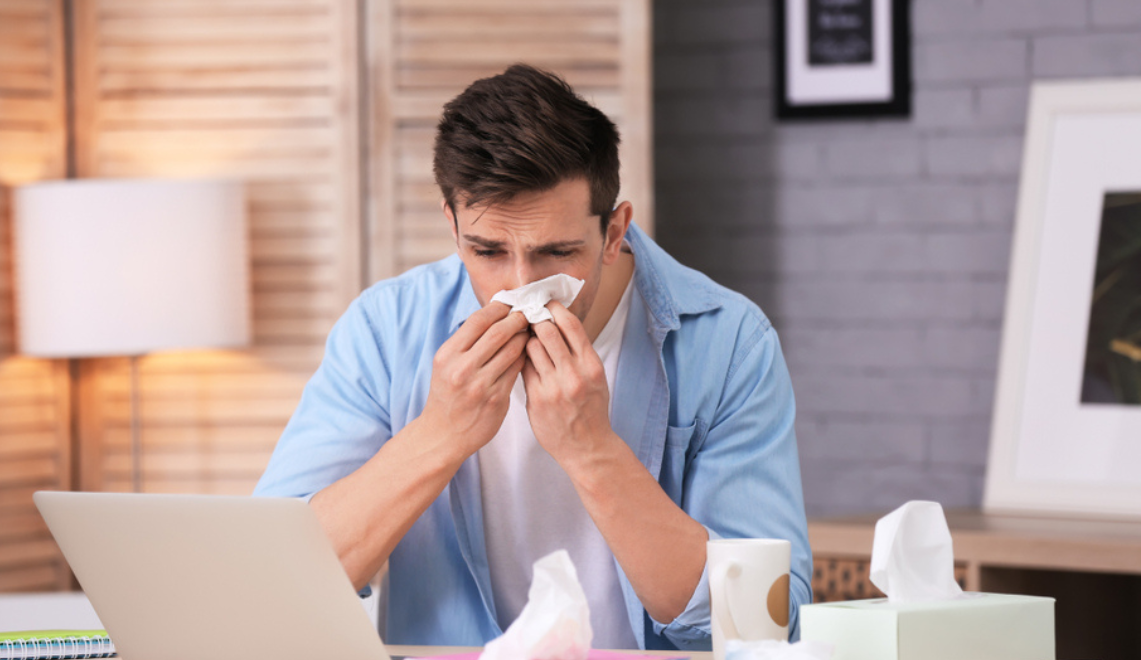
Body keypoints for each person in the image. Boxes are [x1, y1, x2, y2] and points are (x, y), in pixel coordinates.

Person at [254, 64, 811, 652]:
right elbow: (268, 580)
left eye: (557, 251)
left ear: (615, 230)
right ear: (452, 225)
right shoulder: (384, 331)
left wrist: (594, 452)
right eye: (488, 250)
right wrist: (438, 435)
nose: (519, 286)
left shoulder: (729, 344)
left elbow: (767, 623)